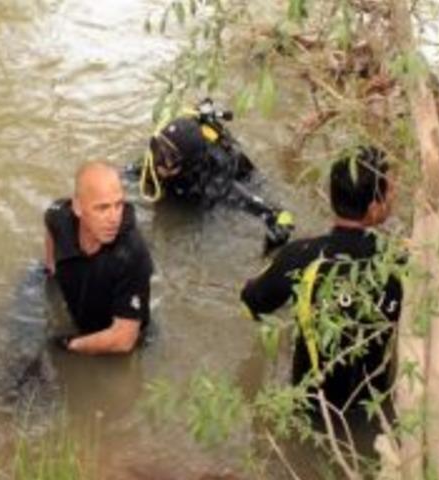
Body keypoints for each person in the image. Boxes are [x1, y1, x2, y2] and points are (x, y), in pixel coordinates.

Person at [240, 146, 402, 413]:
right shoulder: (399, 263)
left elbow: (250, 305)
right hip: (372, 407)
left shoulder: (299, 257)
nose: (395, 196)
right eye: (391, 192)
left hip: (310, 407)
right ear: (374, 208)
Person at [140, 99, 294, 251]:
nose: (158, 160)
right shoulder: (155, 161)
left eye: (169, 156)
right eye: (156, 147)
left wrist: (277, 233)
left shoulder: (214, 183)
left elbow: (272, 213)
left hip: (235, 176)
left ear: (187, 163)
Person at [44, 160, 153, 354]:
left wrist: (69, 345)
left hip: (115, 341)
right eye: (102, 208)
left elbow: (123, 340)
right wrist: (50, 269)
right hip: (81, 310)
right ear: (77, 207)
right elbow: (50, 223)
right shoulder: (60, 216)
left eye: (118, 205)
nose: (114, 219)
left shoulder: (133, 254)